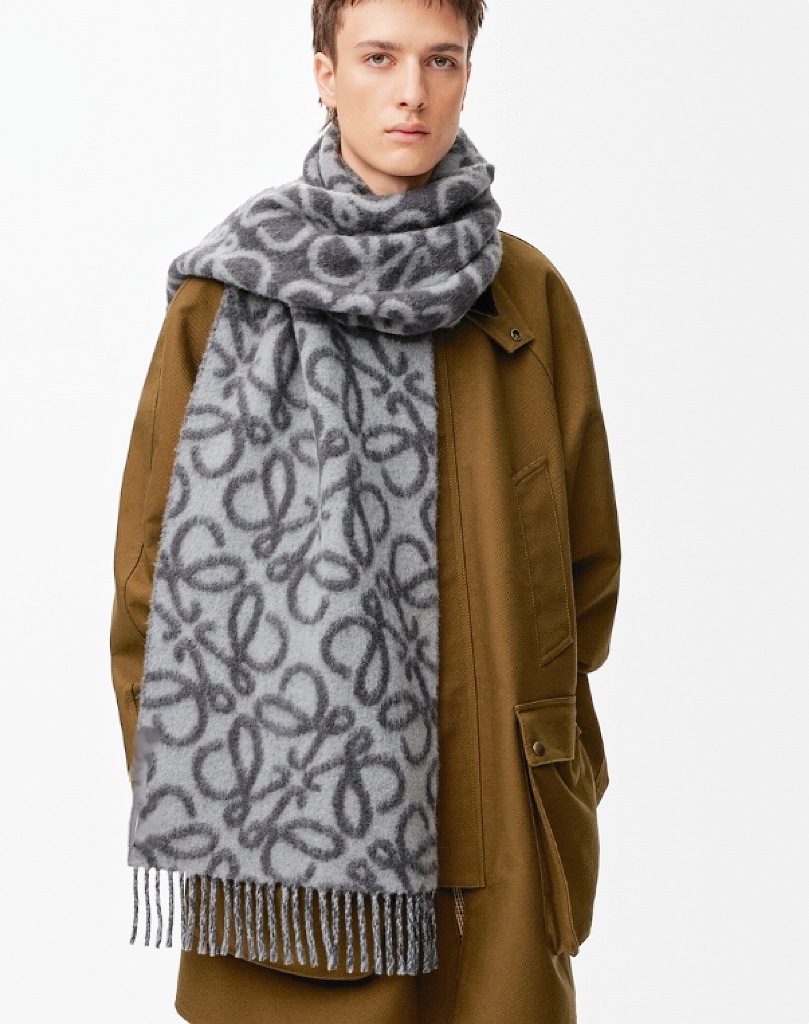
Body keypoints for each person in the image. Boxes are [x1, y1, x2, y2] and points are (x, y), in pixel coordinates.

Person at [109, 0, 621, 1021]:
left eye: (441, 60)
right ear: (323, 71)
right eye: (378, 57)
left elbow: (587, 573)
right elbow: (148, 589)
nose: (410, 92)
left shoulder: (524, 296)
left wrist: (540, 743)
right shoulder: (227, 299)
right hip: (291, 853)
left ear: (468, 73)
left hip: (498, 827)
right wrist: (244, 780)